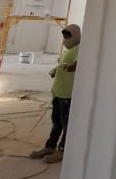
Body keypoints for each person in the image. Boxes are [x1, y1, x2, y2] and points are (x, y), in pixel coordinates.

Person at [30, 24, 81, 164]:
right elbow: (66, 63)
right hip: (58, 90)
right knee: (56, 121)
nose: (65, 38)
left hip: (67, 93)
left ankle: (63, 150)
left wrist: (71, 67)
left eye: (68, 36)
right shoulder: (70, 49)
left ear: (75, 35)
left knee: (66, 123)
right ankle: (50, 146)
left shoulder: (80, 48)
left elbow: (79, 64)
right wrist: (57, 69)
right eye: (64, 36)